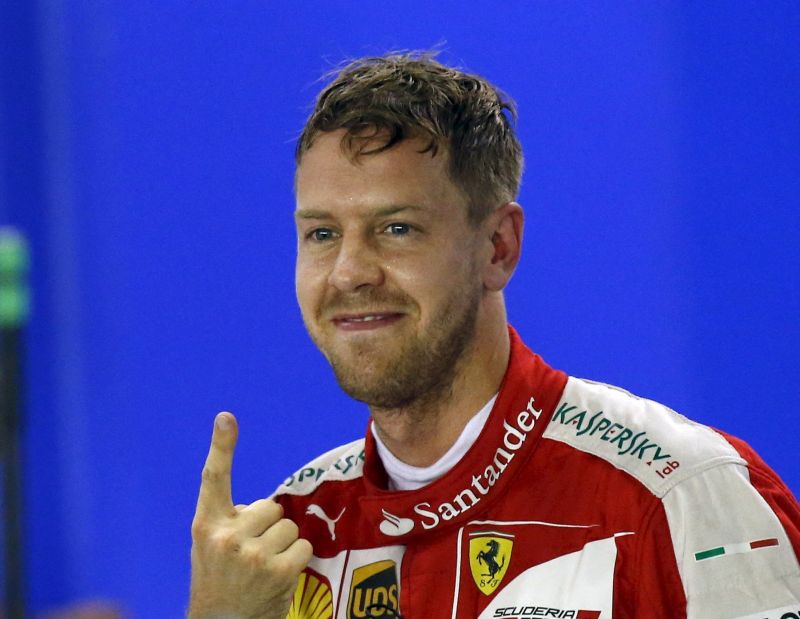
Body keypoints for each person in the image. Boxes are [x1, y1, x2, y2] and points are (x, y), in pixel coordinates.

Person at [187, 52, 800, 619]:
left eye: (396, 228)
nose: (350, 271)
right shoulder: (293, 538)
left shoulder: (679, 496)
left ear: (498, 248)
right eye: (321, 234)